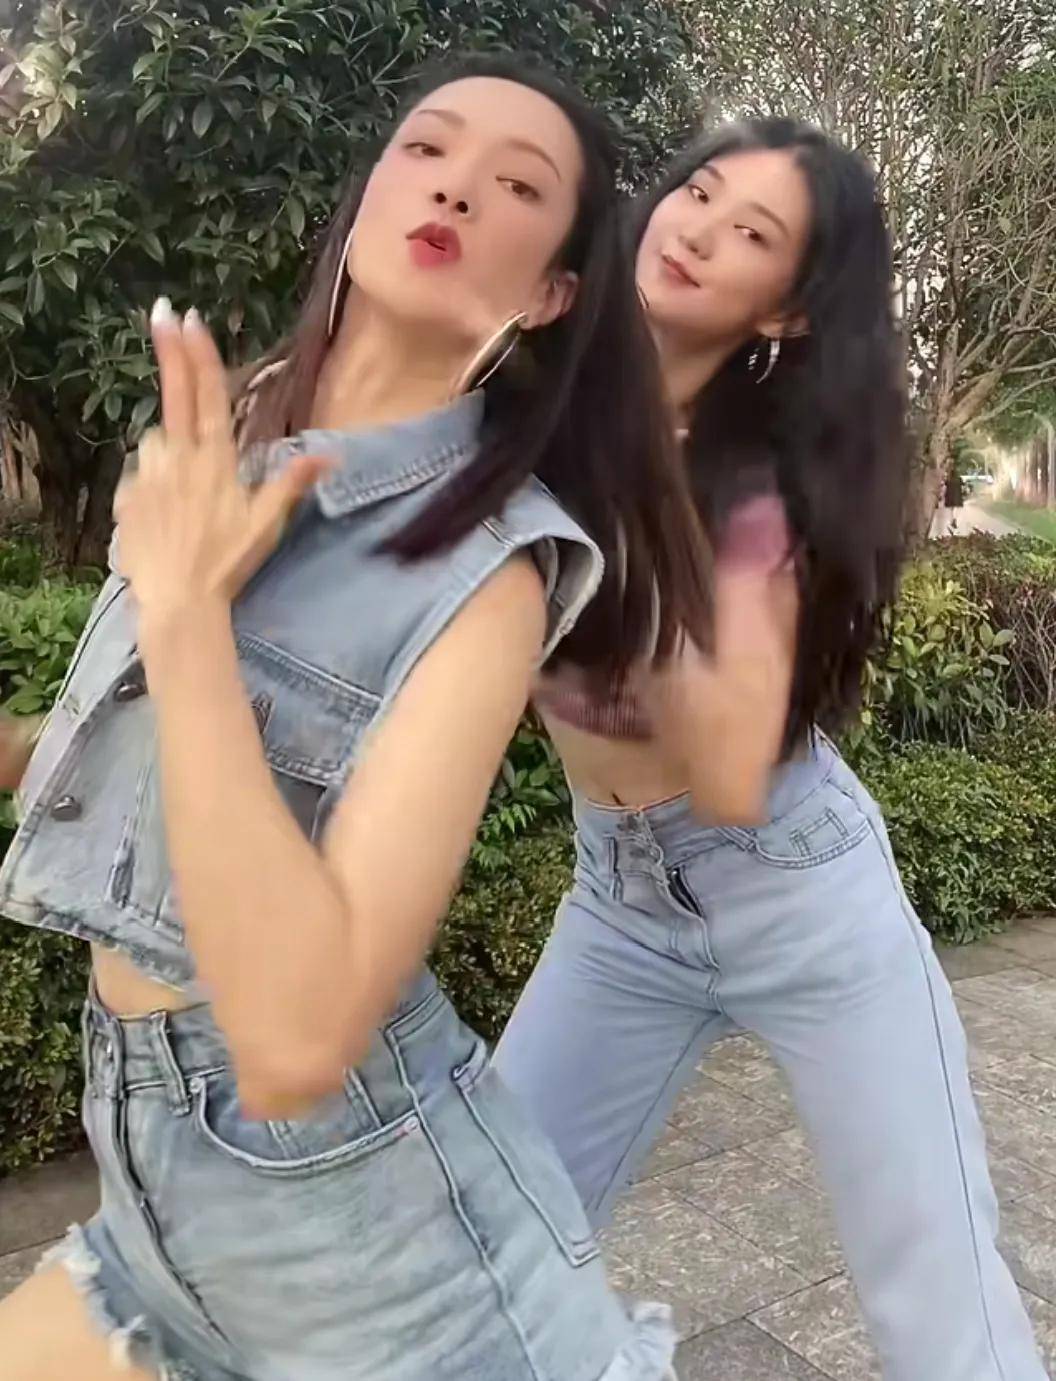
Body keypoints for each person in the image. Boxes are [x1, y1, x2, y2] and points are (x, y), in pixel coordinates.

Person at [0, 57, 711, 1381]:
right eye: (427, 148)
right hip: (158, 1208)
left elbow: (297, 1040)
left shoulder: (489, 573)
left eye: (518, 186)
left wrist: (186, 611)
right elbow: (170, 755)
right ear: (371, 187)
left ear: (550, 293)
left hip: (397, 1281)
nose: (458, 185)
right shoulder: (241, 424)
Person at [494, 118, 1048, 1380]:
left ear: (787, 312)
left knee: (938, 1307)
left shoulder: (759, 491)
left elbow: (735, 775)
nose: (696, 229)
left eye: (750, 232)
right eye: (697, 193)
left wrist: (636, 486)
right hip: (618, 903)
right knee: (485, 1240)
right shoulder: (528, 402)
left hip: (804, 900)